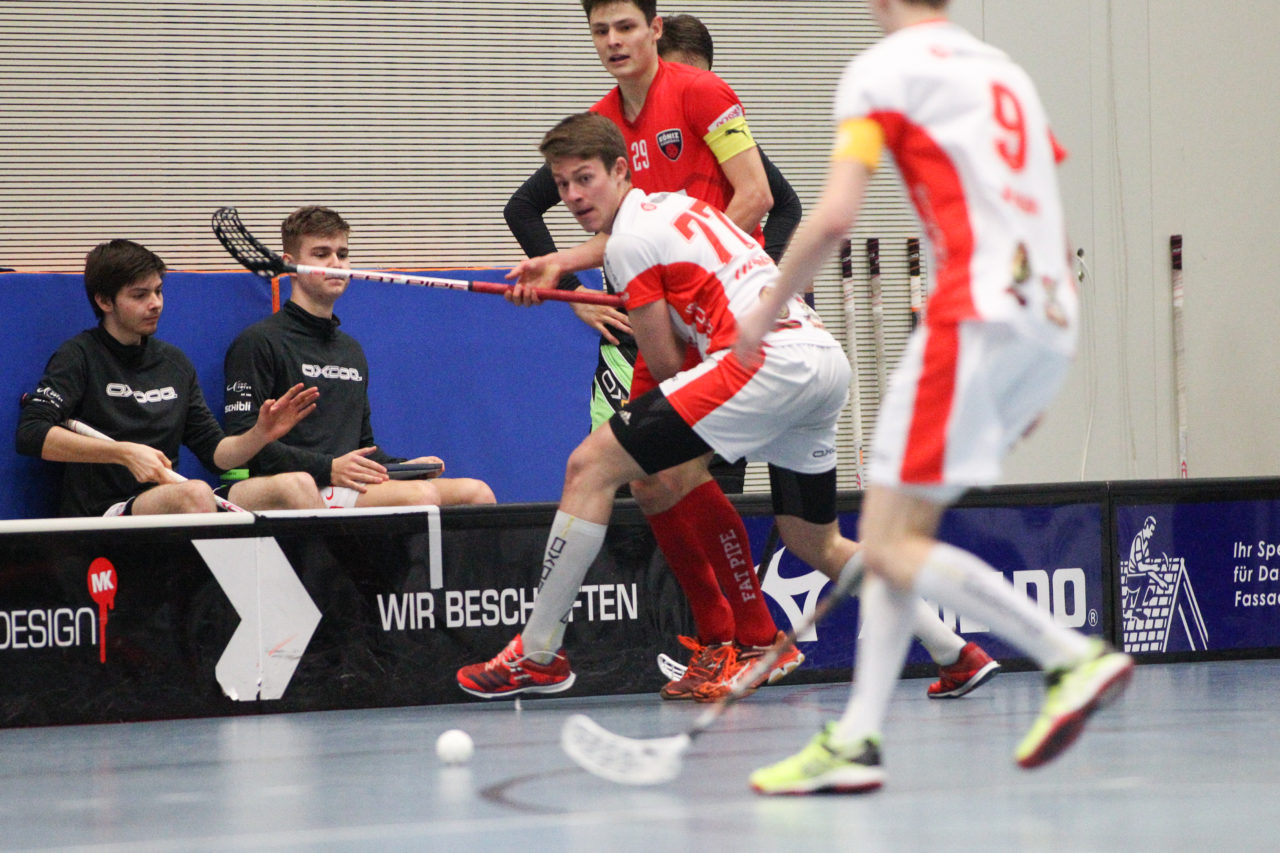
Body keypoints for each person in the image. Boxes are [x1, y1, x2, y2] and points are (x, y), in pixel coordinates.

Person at [505, 1, 999, 704]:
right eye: (599, 30)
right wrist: (571, 274)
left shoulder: (701, 91)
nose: (612, 42)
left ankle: (735, 639)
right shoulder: (601, 124)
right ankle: (951, 650)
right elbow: (630, 228)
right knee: (797, 532)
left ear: (653, 29)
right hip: (717, 319)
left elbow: (757, 197)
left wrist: (687, 288)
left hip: (719, 325)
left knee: (625, 467)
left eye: (624, 26)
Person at [739, 0, 1134, 796]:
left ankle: (1071, 654)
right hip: (1044, 319)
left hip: (973, 316)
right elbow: (1048, 217)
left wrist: (766, 309)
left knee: (885, 541)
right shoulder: (1004, 71)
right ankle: (855, 737)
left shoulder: (881, 71)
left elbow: (835, 216)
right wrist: (1038, 361)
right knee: (894, 534)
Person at [16, 239, 322, 517]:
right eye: (140, 295)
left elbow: (216, 455)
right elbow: (31, 433)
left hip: (173, 497)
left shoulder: (174, 363)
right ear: (105, 302)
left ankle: (321, 579)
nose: (155, 303)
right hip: (105, 512)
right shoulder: (78, 356)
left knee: (299, 485)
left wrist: (260, 434)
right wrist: (123, 453)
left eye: (158, 291)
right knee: (195, 494)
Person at [223, 206, 495, 509]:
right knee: (422, 496)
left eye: (342, 253)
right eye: (321, 253)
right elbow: (242, 447)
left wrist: (403, 467)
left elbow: (362, 447)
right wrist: (328, 468)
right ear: (290, 265)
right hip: (292, 485)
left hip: (343, 482)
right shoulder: (258, 342)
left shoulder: (350, 350)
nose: (335, 263)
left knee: (476, 493)